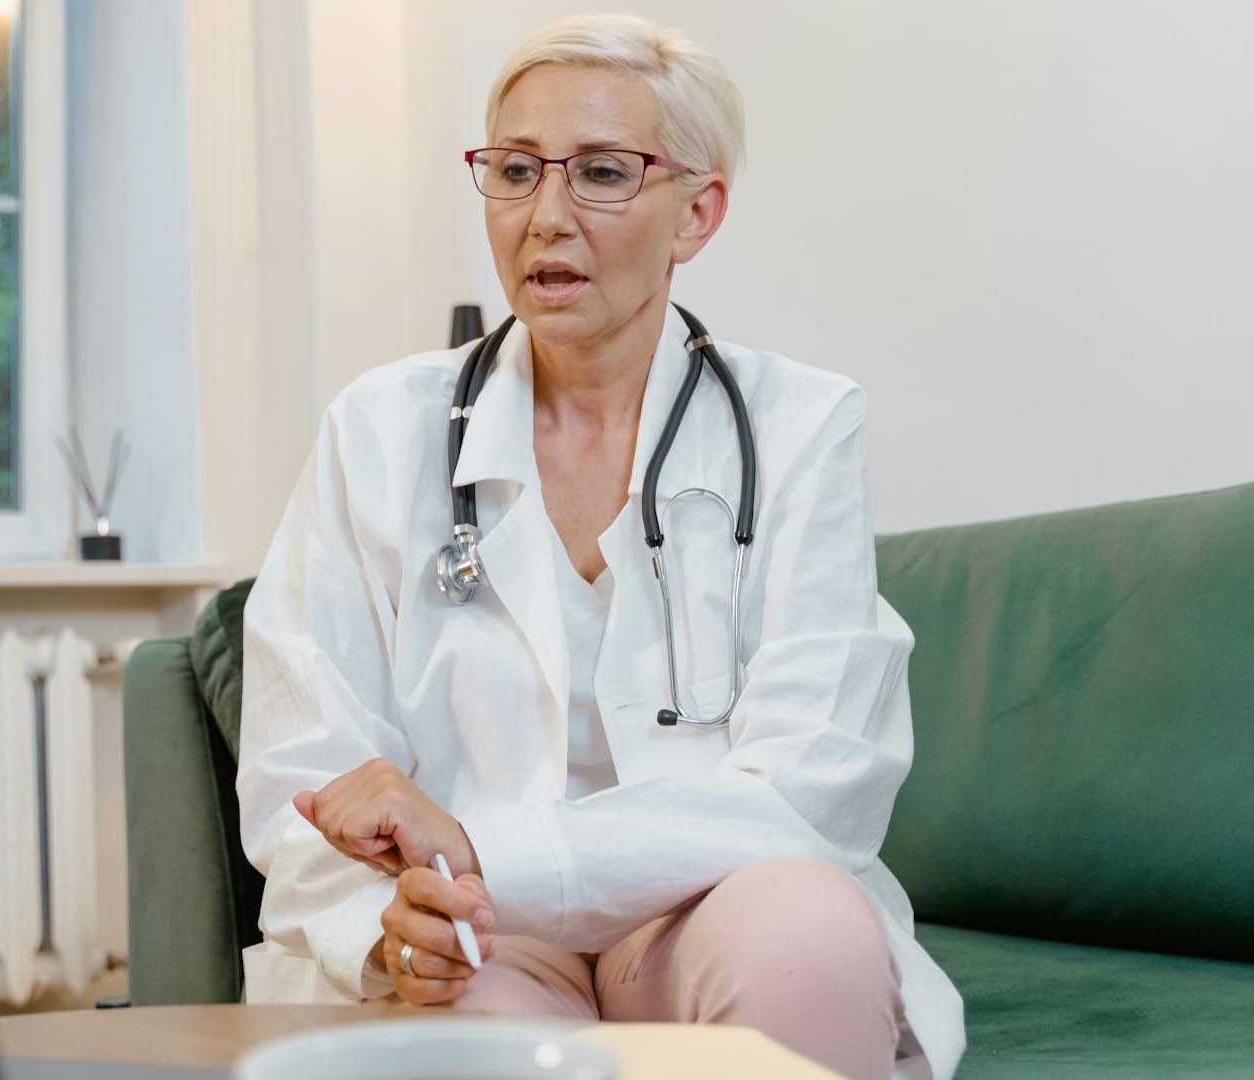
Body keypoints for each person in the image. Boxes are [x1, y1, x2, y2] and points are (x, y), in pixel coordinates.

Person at [235, 13, 964, 1079]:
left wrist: (485, 849)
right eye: (515, 170)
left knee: (806, 941)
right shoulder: (378, 431)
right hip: (480, 933)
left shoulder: (800, 426)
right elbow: (304, 767)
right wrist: (391, 924)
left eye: (604, 173)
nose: (547, 217)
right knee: (458, 1027)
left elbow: (813, 782)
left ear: (696, 213)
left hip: (704, 909)